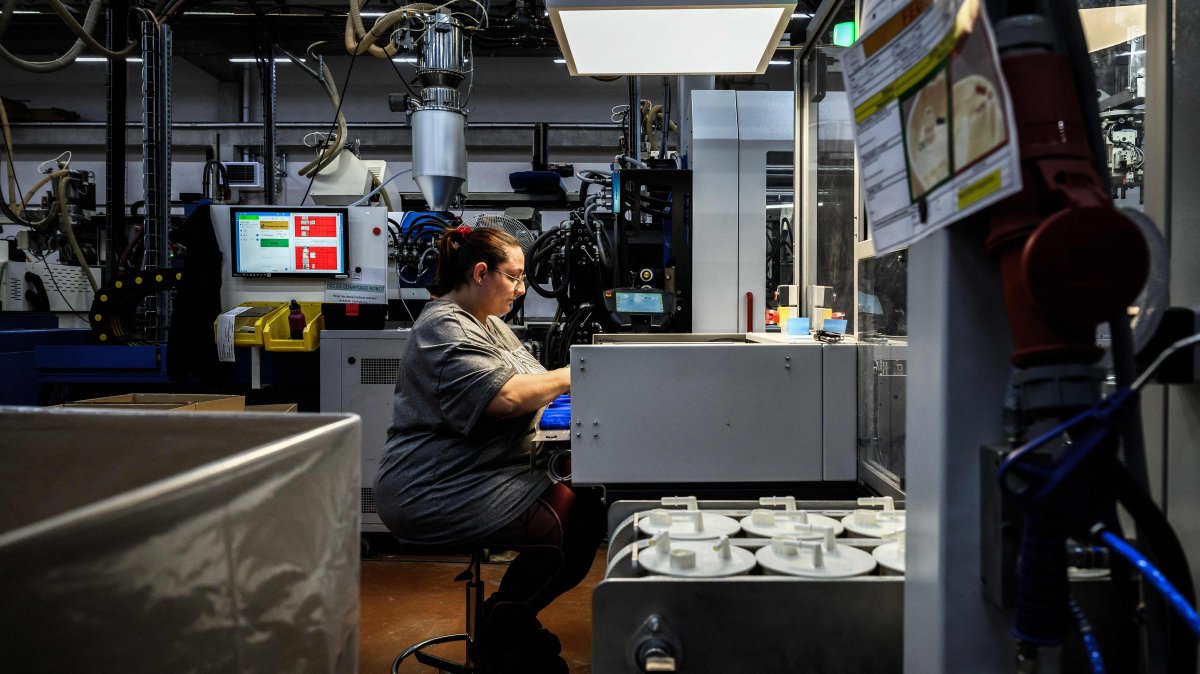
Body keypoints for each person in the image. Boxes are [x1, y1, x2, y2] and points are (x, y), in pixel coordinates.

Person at [375, 225, 606, 674]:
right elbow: (507, 397)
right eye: (515, 277)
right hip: (435, 483)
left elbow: (537, 386)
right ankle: (504, 629)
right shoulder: (442, 326)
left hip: (487, 468)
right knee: (575, 520)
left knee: (590, 498)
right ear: (481, 272)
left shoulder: (491, 324)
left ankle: (506, 622)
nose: (521, 289)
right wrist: (579, 370)